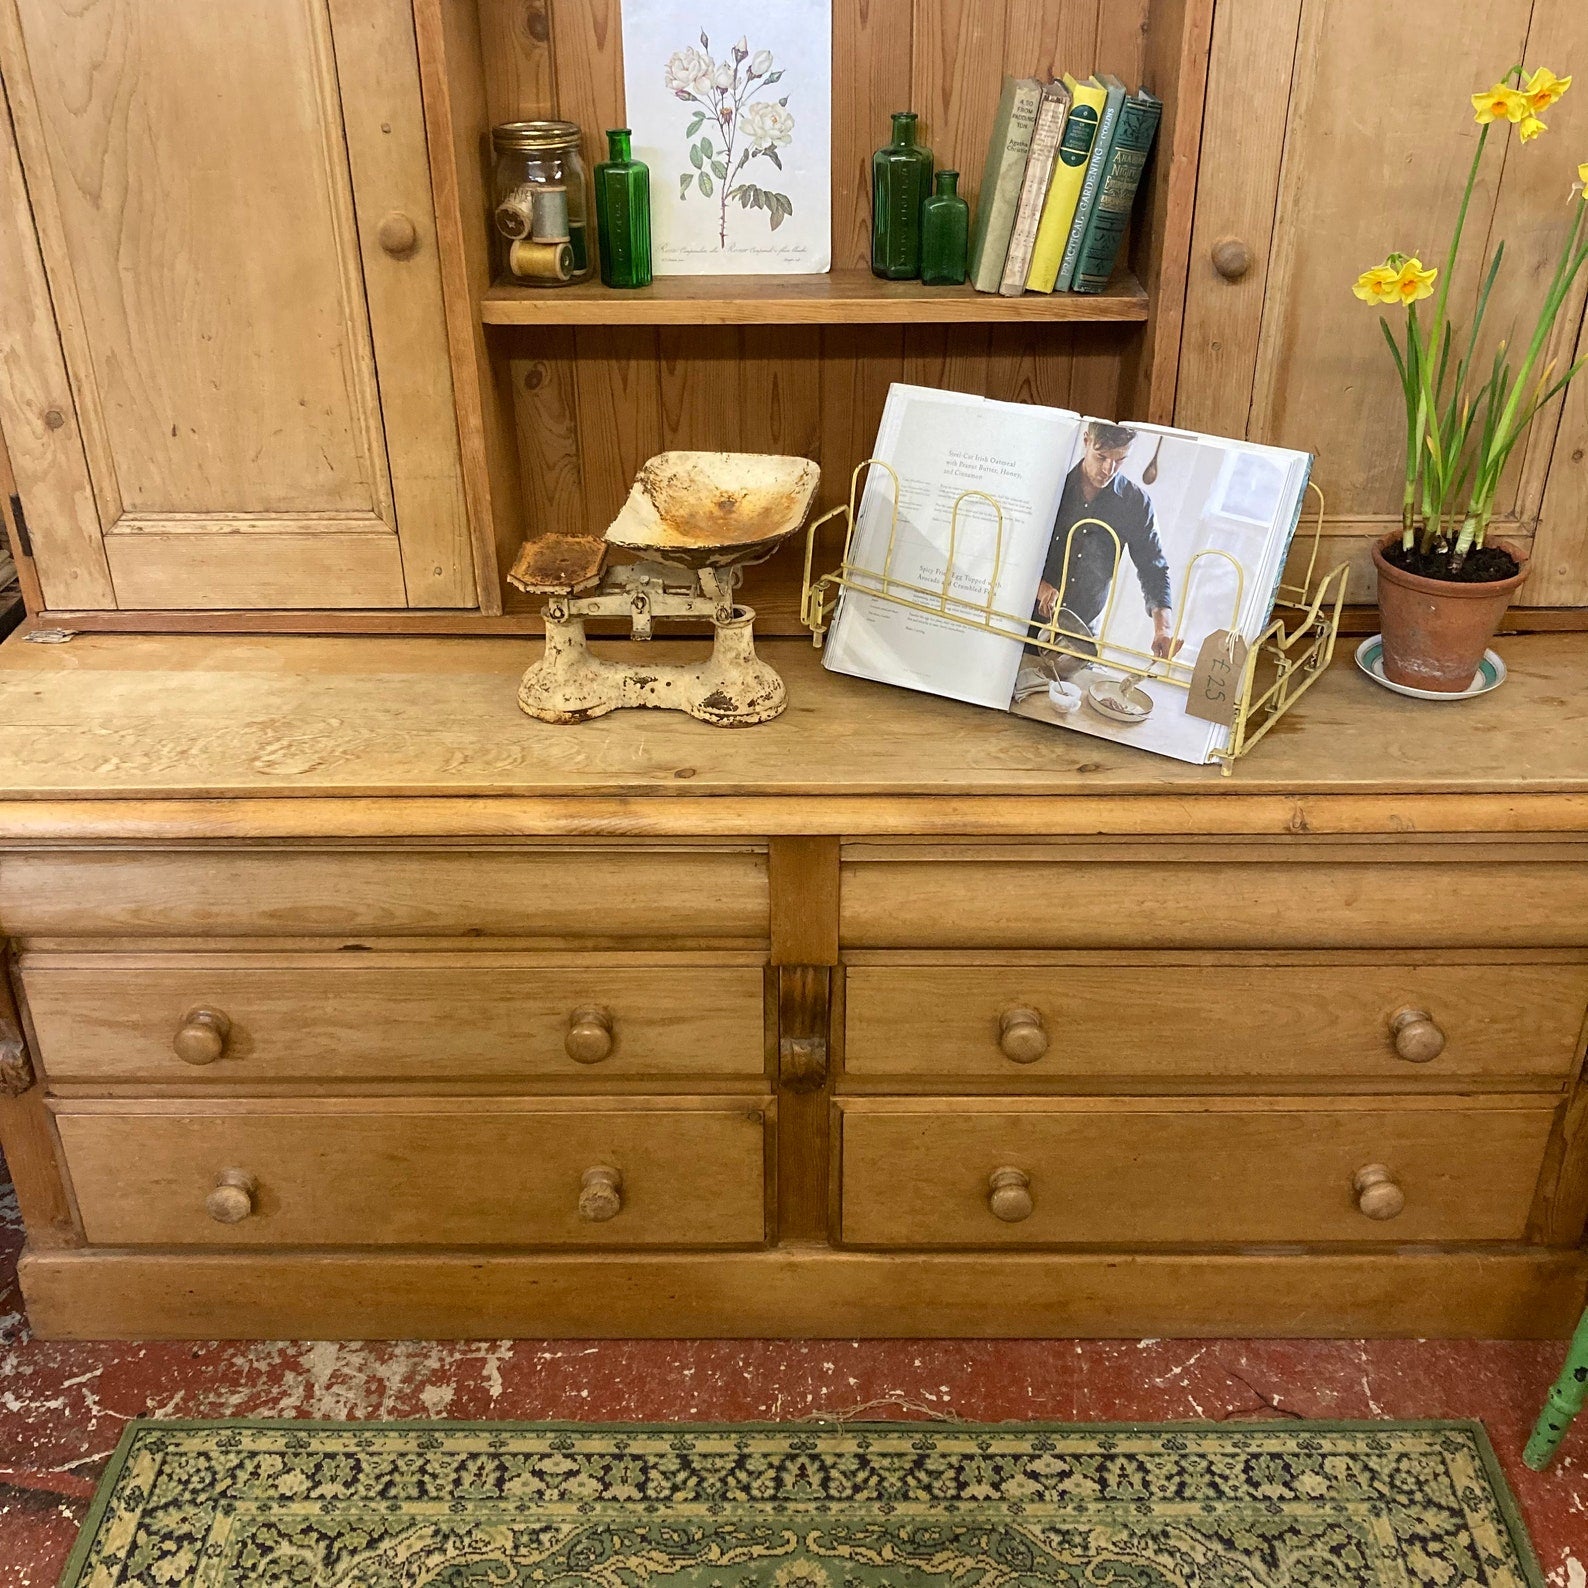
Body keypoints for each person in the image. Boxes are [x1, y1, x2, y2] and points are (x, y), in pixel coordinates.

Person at [1031, 421, 1178, 661]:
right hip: (1024, 618)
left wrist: (1164, 628)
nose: (1109, 469)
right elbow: (1012, 548)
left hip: (1081, 635)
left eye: (1120, 460)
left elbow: (1154, 570)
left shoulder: (1136, 504)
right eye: (1101, 457)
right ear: (1086, 441)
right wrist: (1039, 586)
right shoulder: (1050, 484)